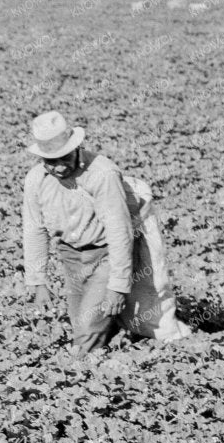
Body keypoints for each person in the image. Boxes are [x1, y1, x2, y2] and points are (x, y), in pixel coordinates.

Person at [20, 112, 189, 353]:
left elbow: (119, 232)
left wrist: (117, 287)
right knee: (80, 323)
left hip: (105, 254)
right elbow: (34, 229)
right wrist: (38, 282)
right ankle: (109, 343)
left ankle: (80, 376)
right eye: (50, 161)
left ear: (77, 148)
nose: (58, 167)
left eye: (64, 158)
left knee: (86, 335)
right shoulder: (35, 179)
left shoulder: (102, 173)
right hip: (70, 256)